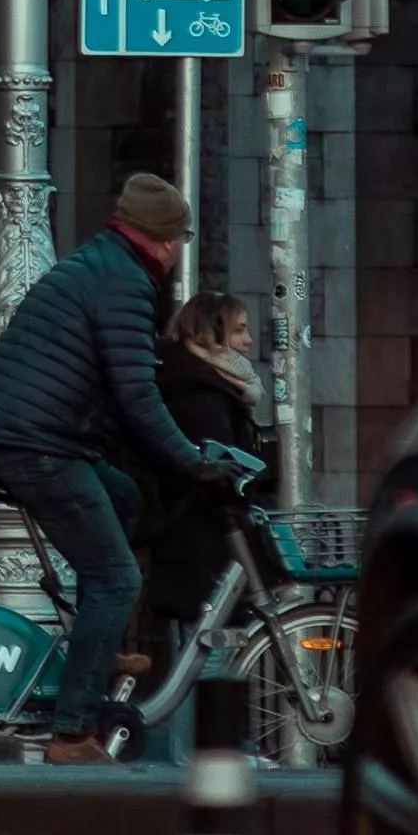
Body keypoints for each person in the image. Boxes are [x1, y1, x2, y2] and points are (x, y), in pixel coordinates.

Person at [0, 170, 255, 756]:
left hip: (22, 433)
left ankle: (97, 643)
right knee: (118, 578)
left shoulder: (99, 262)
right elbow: (136, 395)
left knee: (123, 495)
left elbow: (110, 395)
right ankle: (72, 731)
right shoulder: (125, 283)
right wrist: (191, 463)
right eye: (178, 242)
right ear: (166, 242)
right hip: (29, 444)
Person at [106, 291, 270, 720]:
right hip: (201, 544)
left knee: (200, 656)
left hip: (200, 543)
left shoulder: (204, 385)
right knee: (206, 658)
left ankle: (205, 750)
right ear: (207, 333)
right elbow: (217, 468)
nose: (249, 341)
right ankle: (205, 754)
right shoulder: (200, 394)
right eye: (238, 329)